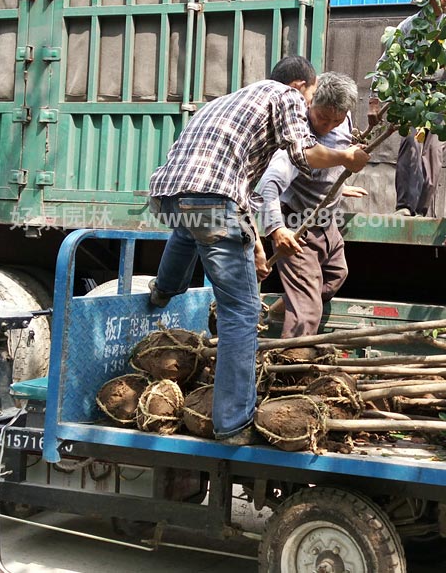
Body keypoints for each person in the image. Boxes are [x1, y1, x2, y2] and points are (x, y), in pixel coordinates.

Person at [146, 56, 369, 444]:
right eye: (313, 97)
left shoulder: (227, 102)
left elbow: (232, 190)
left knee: (190, 227)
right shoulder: (286, 96)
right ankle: (232, 424)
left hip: (170, 197)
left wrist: (255, 249)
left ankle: (163, 289)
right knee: (242, 312)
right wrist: (345, 157)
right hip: (212, 203)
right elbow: (306, 155)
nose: (309, 110)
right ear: (301, 86)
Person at [257, 71, 368, 338]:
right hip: (297, 227)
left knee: (336, 275)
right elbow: (268, 186)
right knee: (308, 309)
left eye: (336, 120)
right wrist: (276, 229)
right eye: (322, 118)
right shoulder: (297, 137)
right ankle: (290, 366)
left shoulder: (343, 119)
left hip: (326, 223)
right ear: (311, 102)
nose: (328, 125)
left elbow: (334, 159)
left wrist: (339, 187)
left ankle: (286, 305)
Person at [372, 0, 446, 217]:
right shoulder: (409, 27)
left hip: (441, 96)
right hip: (414, 95)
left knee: (434, 153)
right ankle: (405, 206)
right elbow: (385, 62)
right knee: (411, 143)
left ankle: (422, 210)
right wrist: (374, 99)